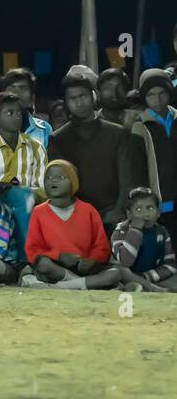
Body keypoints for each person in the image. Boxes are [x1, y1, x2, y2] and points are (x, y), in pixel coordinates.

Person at [48, 69, 139, 235]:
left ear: (93, 96)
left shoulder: (118, 133)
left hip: (115, 216)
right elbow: (59, 185)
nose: (79, 102)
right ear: (66, 103)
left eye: (83, 96)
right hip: (75, 218)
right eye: (73, 98)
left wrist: (118, 211)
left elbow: (127, 178)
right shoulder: (58, 139)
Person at [0, 91, 47, 263]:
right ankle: (25, 262)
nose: (17, 117)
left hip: (31, 205)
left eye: (19, 112)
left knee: (21, 196)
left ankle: (25, 260)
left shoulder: (36, 148)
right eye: (10, 113)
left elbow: (44, 189)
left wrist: (23, 192)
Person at [19, 160, 117, 289]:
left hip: (85, 269)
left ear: (73, 182)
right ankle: (78, 283)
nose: (53, 181)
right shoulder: (38, 212)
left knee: (115, 273)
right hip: (55, 269)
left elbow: (102, 247)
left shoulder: (88, 211)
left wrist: (91, 260)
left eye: (61, 177)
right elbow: (32, 250)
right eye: (48, 178)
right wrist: (58, 256)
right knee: (42, 264)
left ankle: (63, 286)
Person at [134, 68, 177, 233]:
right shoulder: (140, 126)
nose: (157, 100)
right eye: (151, 95)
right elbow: (137, 169)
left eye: (162, 93)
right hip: (159, 202)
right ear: (144, 98)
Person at [110, 187, 177, 291]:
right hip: (125, 274)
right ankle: (148, 288)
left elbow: (170, 263)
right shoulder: (121, 231)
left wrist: (147, 276)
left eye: (150, 208)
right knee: (118, 271)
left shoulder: (162, 232)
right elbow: (125, 262)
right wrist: (135, 230)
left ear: (158, 213)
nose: (145, 214)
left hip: (151, 275)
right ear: (129, 214)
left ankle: (142, 286)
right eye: (138, 209)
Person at [0, 68, 52, 149]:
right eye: (11, 88)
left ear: (32, 98)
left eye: (22, 88)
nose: (16, 93)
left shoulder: (44, 129)